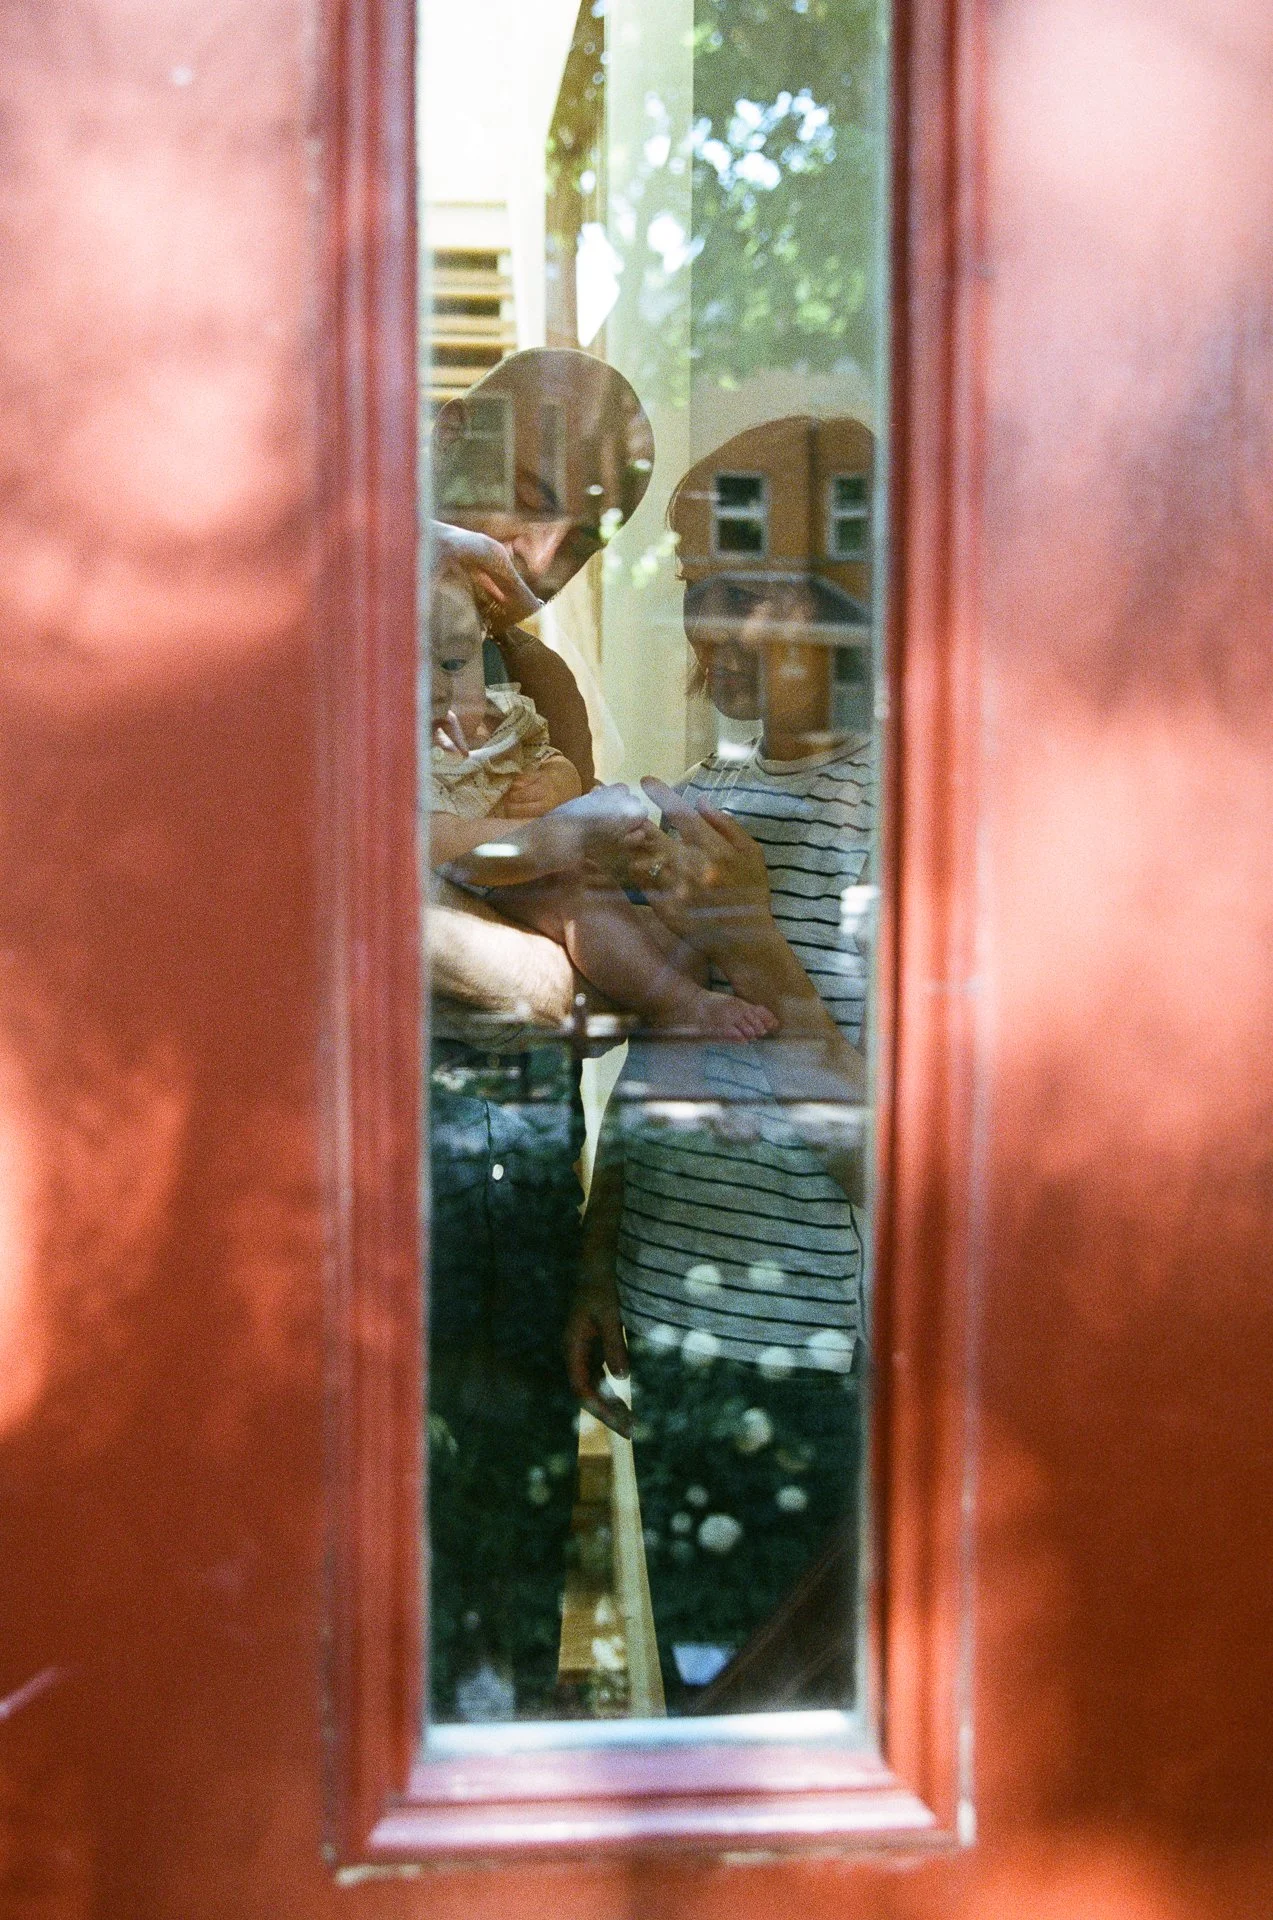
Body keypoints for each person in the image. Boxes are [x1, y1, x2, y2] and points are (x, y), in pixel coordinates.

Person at [567, 418, 875, 1711]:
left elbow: (899, 1162)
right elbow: (666, 1047)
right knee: (700, 1707)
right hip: (678, 1339)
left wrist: (753, 940)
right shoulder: (720, 795)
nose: (712, 624)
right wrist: (598, 1249)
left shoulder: (919, 813)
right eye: (699, 583)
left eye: (749, 586)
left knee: (783, 1735)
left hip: (815, 1371)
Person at [424, 350, 658, 1721]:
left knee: (502, 1580)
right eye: (524, 499)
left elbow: (586, 975)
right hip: (355, 1170)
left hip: (511, 1192)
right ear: (448, 440)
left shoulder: (546, 696)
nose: (551, 553)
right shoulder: (335, 625)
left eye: (593, 531)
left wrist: (589, 1251)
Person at [427, 563, 779, 1041]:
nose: (438, 690)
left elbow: (550, 756)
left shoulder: (502, 713)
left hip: (546, 867)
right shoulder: (395, 757)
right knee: (575, 895)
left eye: (454, 664)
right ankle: (682, 1004)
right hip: (488, 877)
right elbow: (442, 843)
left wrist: (559, 782)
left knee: (645, 904)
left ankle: (679, 996)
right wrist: (563, 832)